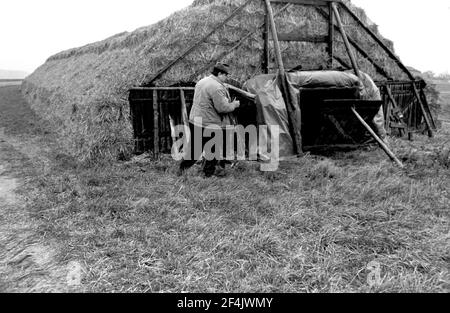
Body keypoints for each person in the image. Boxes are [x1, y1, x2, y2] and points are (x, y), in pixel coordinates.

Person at [178, 63, 240, 177]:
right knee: (213, 151)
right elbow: (222, 108)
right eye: (226, 75)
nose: (227, 78)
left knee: (195, 150)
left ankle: (182, 169)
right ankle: (207, 175)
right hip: (209, 123)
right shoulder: (216, 87)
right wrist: (234, 104)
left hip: (196, 120)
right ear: (220, 73)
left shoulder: (202, 81)